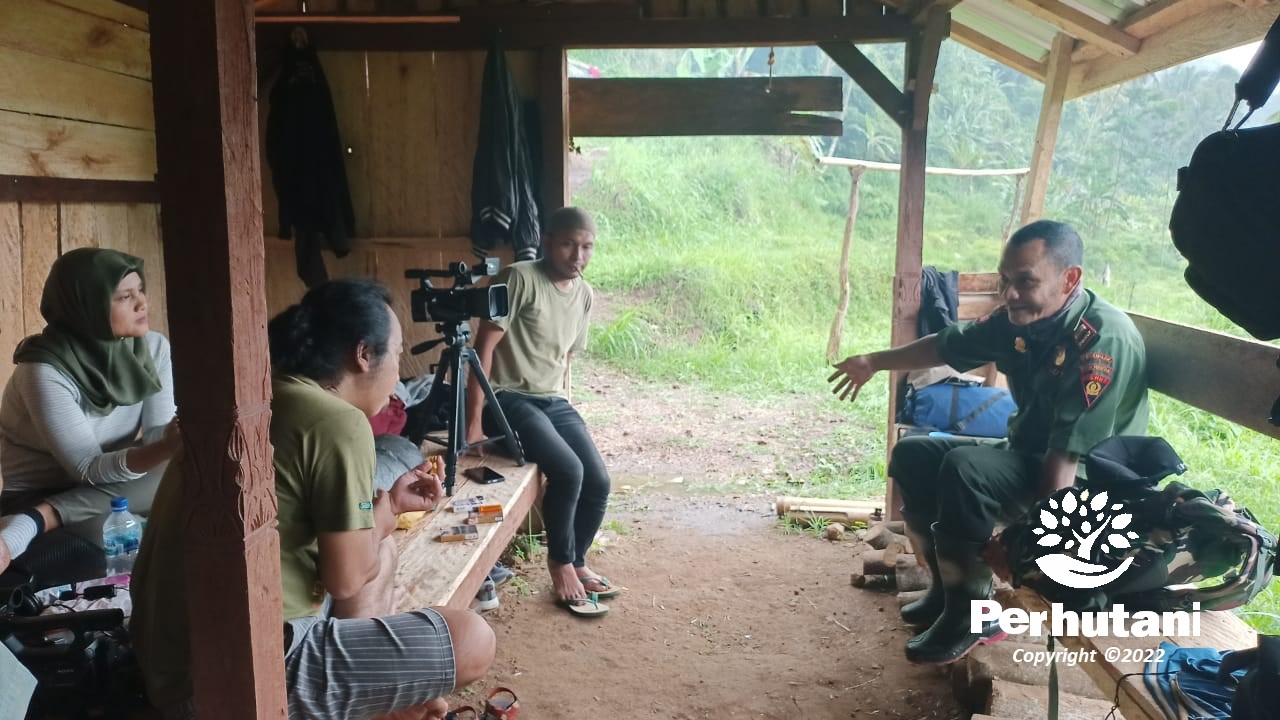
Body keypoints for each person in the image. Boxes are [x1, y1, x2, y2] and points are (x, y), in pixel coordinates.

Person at [131, 279, 495, 720]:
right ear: (363, 355)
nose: (399, 375)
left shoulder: (262, 392)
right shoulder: (338, 421)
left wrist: (390, 505)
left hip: (167, 663)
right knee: (473, 640)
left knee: (380, 547)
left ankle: (365, 697)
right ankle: (365, 702)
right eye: (397, 355)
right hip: (230, 681)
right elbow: (345, 580)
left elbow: (348, 563)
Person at [828, 220, 1149, 664]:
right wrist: (873, 362)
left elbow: (1064, 463)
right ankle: (950, 593)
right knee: (913, 454)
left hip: (1087, 485)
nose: (1009, 294)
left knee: (967, 469)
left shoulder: (1100, 341)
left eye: (1025, 281)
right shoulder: (1024, 320)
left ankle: (975, 617)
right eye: (1005, 281)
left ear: (1069, 279)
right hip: (1030, 457)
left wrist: (1025, 539)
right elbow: (946, 346)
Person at [466, 206, 618, 616]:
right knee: (568, 470)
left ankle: (579, 559)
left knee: (598, 481)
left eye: (587, 247)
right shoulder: (519, 278)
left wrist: (561, 406)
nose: (578, 255)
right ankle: (560, 564)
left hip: (552, 399)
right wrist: (474, 423)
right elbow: (483, 350)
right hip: (508, 396)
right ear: (548, 241)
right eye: (568, 244)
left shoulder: (584, 294)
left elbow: (564, 357)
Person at [0, 248, 179, 575]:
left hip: (121, 488)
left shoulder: (154, 347)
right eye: (125, 296)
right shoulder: (44, 370)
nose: (142, 303)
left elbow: (158, 437)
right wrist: (166, 448)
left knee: (181, 470)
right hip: (47, 489)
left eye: (141, 290)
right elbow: (87, 468)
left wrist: (172, 446)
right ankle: (36, 518)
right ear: (86, 307)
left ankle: (39, 519)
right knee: (129, 540)